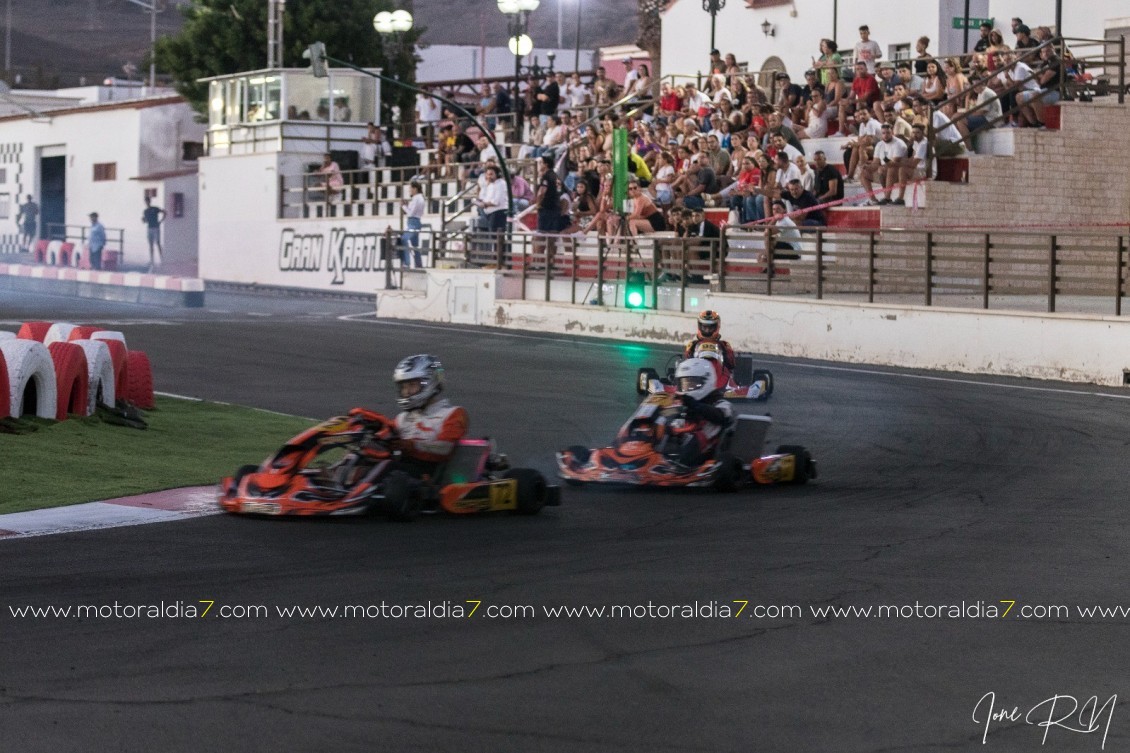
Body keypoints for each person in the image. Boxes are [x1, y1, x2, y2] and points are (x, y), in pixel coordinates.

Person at [390, 354, 468, 478]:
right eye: (404, 387)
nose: (406, 392)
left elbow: (445, 448)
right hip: (400, 470)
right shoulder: (402, 418)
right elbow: (386, 436)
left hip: (429, 475)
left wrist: (412, 445)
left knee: (391, 470)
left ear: (430, 382)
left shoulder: (452, 414)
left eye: (412, 385)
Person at [665, 357, 733, 468]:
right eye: (684, 384)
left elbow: (722, 416)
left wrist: (694, 405)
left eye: (692, 384)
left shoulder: (721, 403)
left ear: (707, 380)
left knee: (710, 426)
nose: (687, 388)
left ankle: (681, 465)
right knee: (662, 426)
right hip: (684, 442)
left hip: (708, 454)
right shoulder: (685, 403)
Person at [400, 182, 425, 268]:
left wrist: (403, 206)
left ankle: (406, 263)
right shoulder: (420, 198)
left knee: (404, 239)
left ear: (415, 189)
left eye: (410, 188)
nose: (409, 190)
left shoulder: (416, 199)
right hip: (416, 221)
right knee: (415, 245)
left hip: (413, 223)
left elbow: (411, 213)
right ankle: (418, 264)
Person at [141, 196, 164, 271]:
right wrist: (143, 220)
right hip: (149, 228)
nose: (147, 202)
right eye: (146, 201)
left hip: (155, 227)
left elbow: (164, 212)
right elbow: (145, 221)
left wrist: (160, 221)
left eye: (147, 201)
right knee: (150, 245)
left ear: (149, 201)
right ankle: (152, 260)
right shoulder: (145, 211)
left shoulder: (155, 208)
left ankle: (162, 259)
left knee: (158, 243)